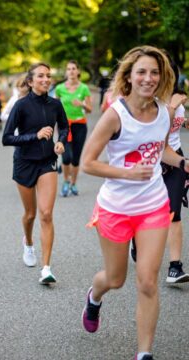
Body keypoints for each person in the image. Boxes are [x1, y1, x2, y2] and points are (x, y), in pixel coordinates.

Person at [81, 45, 188, 360]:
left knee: (147, 282)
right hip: (115, 208)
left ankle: (144, 354)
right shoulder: (115, 115)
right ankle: (94, 297)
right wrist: (125, 173)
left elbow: (160, 150)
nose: (149, 78)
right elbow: (88, 162)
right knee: (115, 279)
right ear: (128, 76)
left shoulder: (163, 112)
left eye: (154, 72)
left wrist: (183, 163)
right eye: (141, 71)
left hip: (153, 206)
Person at [2, 63, 68, 284]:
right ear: (30, 82)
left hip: (47, 162)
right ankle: (28, 243)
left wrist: (60, 143)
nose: (46, 79)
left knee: (46, 214)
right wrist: (35, 135)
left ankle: (46, 268)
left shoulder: (56, 104)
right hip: (24, 163)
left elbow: (65, 127)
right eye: (41, 76)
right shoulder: (21, 106)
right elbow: (7, 138)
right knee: (30, 214)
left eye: (48, 75)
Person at [159, 57, 189, 284]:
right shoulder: (150, 100)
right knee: (147, 212)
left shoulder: (179, 99)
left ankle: (175, 268)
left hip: (176, 156)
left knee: (174, 213)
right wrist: (171, 106)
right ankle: (136, 242)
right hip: (152, 161)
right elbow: (159, 133)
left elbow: (174, 129)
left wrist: (184, 119)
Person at [55, 60, 92, 196]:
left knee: (75, 158)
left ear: (78, 71)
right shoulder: (59, 88)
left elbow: (90, 109)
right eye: (68, 69)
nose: (71, 71)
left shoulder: (84, 88)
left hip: (80, 125)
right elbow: (55, 106)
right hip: (64, 126)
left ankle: (74, 184)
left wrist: (81, 104)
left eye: (73, 69)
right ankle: (65, 181)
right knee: (66, 157)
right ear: (66, 72)